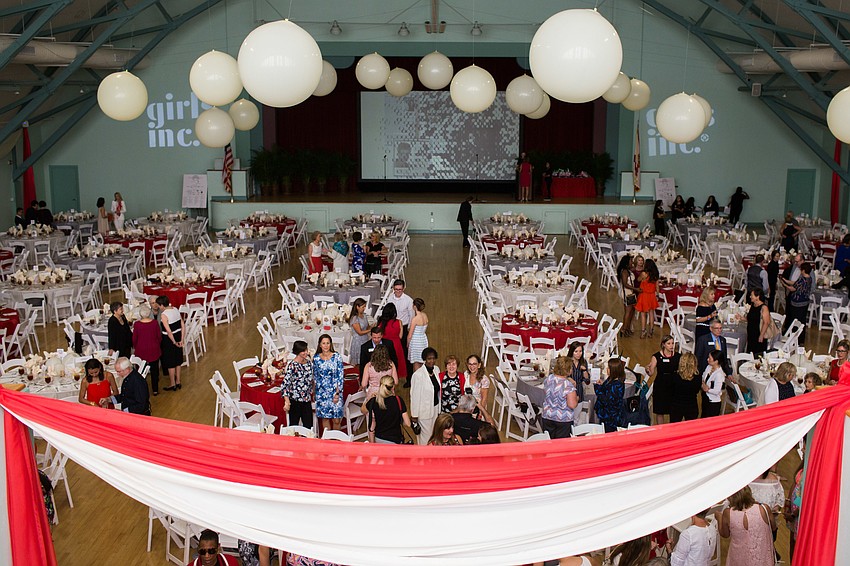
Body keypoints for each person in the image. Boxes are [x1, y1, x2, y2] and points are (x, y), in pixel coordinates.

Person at [717, 486, 776, 566]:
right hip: (762, 557)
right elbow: (773, 527)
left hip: (738, 557)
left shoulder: (728, 513)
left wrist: (719, 518)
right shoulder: (763, 509)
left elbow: (725, 534)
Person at [362, 374, 411, 443]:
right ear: (393, 387)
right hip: (395, 439)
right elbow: (407, 424)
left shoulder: (374, 401)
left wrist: (368, 399)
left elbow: (363, 411)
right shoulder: (398, 400)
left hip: (379, 438)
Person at [645, 335, 680, 425]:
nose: (671, 346)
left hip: (674, 384)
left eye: (672, 343)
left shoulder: (678, 356)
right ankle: (661, 429)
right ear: (663, 344)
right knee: (660, 410)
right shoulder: (656, 357)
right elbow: (651, 373)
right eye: (669, 344)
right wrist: (647, 370)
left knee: (673, 409)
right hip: (661, 385)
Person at [542, 355, 579, 438]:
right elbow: (572, 405)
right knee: (561, 445)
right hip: (563, 419)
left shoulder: (549, 379)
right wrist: (577, 398)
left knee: (548, 442)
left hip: (547, 415)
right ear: (569, 370)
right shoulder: (568, 386)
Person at [313, 334, 344, 431]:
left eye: (328, 343)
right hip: (321, 394)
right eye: (323, 343)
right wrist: (314, 393)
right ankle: (328, 443)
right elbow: (315, 377)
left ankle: (337, 444)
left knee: (336, 420)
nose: (326, 345)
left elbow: (340, 376)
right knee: (325, 419)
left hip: (335, 392)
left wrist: (337, 394)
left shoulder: (337, 357)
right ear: (320, 345)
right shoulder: (316, 358)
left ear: (330, 344)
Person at [410, 347, 440, 445]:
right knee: (425, 438)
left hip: (436, 409)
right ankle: (423, 457)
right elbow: (414, 397)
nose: (432, 361)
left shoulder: (436, 370)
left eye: (433, 358)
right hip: (424, 412)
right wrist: (414, 416)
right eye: (429, 359)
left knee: (435, 435)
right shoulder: (418, 375)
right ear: (424, 359)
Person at [282, 340, 314, 428]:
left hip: (306, 401)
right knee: (293, 428)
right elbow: (285, 385)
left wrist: (313, 392)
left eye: (306, 350)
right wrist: (287, 402)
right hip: (295, 402)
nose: (306, 352)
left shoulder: (309, 363)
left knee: (308, 427)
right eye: (303, 351)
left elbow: (312, 380)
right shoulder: (292, 366)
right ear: (297, 352)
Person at [132, 304, 161, 396]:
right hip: (154, 349)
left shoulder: (137, 325)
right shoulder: (154, 323)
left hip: (141, 350)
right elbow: (159, 336)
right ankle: (155, 389)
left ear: (140, 315)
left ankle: (142, 390)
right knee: (155, 371)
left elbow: (134, 339)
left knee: (140, 371)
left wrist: (135, 346)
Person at [781, 261, 813, 344]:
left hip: (797, 303)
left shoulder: (802, 279)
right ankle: (800, 339)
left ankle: (794, 338)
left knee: (795, 320)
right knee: (802, 321)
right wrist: (785, 280)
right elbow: (795, 284)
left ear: (803, 270)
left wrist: (784, 285)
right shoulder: (809, 278)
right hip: (805, 302)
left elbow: (793, 288)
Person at [157, 296, 184, 391]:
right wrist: (181, 339)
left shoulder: (164, 315)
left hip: (169, 340)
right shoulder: (176, 309)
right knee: (178, 359)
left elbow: (168, 331)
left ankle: (172, 383)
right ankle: (178, 381)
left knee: (170, 362)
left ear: (161, 305)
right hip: (178, 336)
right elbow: (182, 324)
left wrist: (174, 342)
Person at [377, 303, 408, 381]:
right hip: (396, 345)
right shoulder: (399, 322)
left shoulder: (381, 323)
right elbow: (400, 336)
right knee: (396, 364)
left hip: (385, 347)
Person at [594, 357, 626, 432]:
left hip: (610, 418)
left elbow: (605, 400)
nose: (607, 369)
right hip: (608, 416)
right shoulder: (612, 379)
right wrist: (602, 385)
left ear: (613, 370)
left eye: (608, 368)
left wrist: (597, 388)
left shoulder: (616, 385)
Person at [669, 352, 701, 422]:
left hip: (676, 406)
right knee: (691, 428)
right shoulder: (697, 377)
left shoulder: (675, 376)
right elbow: (697, 390)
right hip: (691, 406)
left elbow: (671, 389)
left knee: (674, 428)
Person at [635, 258, 660, 339]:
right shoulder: (655, 274)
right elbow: (657, 286)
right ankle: (651, 330)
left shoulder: (644, 274)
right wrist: (657, 295)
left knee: (643, 314)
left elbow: (638, 279)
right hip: (652, 295)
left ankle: (643, 331)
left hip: (644, 295)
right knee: (651, 313)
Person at [617, 254, 639, 337]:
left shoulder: (628, 270)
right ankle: (624, 329)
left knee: (631, 311)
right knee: (628, 312)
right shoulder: (625, 272)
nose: (632, 262)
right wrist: (636, 289)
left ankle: (628, 328)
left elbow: (635, 267)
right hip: (628, 294)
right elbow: (625, 284)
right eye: (630, 261)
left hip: (630, 293)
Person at [701, 349, 727, 418]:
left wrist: (707, 389)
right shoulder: (709, 367)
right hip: (705, 398)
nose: (707, 359)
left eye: (710, 358)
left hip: (713, 403)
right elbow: (703, 376)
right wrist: (703, 384)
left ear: (716, 361)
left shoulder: (719, 375)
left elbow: (717, 391)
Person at [406, 298, 429, 373]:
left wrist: (407, 344)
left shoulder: (415, 319)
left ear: (415, 307)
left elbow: (410, 335)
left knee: (416, 363)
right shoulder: (425, 315)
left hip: (415, 342)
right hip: (423, 340)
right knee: (422, 362)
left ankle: (418, 380)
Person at [747, 289, 771, 356]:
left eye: (752, 295)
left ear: (757, 297)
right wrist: (741, 318)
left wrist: (761, 335)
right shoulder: (753, 305)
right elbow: (751, 318)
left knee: (757, 354)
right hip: (751, 334)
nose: (750, 297)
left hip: (758, 334)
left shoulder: (764, 308)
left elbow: (766, 322)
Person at [347, 298, 371, 366]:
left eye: (365, 307)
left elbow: (367, 327)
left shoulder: (364, 316)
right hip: (358, 342)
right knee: (358, 362)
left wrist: (371, 327)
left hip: (365, 339)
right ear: (357, 307)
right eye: (363, 307)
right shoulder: (354, 318)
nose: (364, 308)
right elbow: (359, 332)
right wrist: (370, 330)